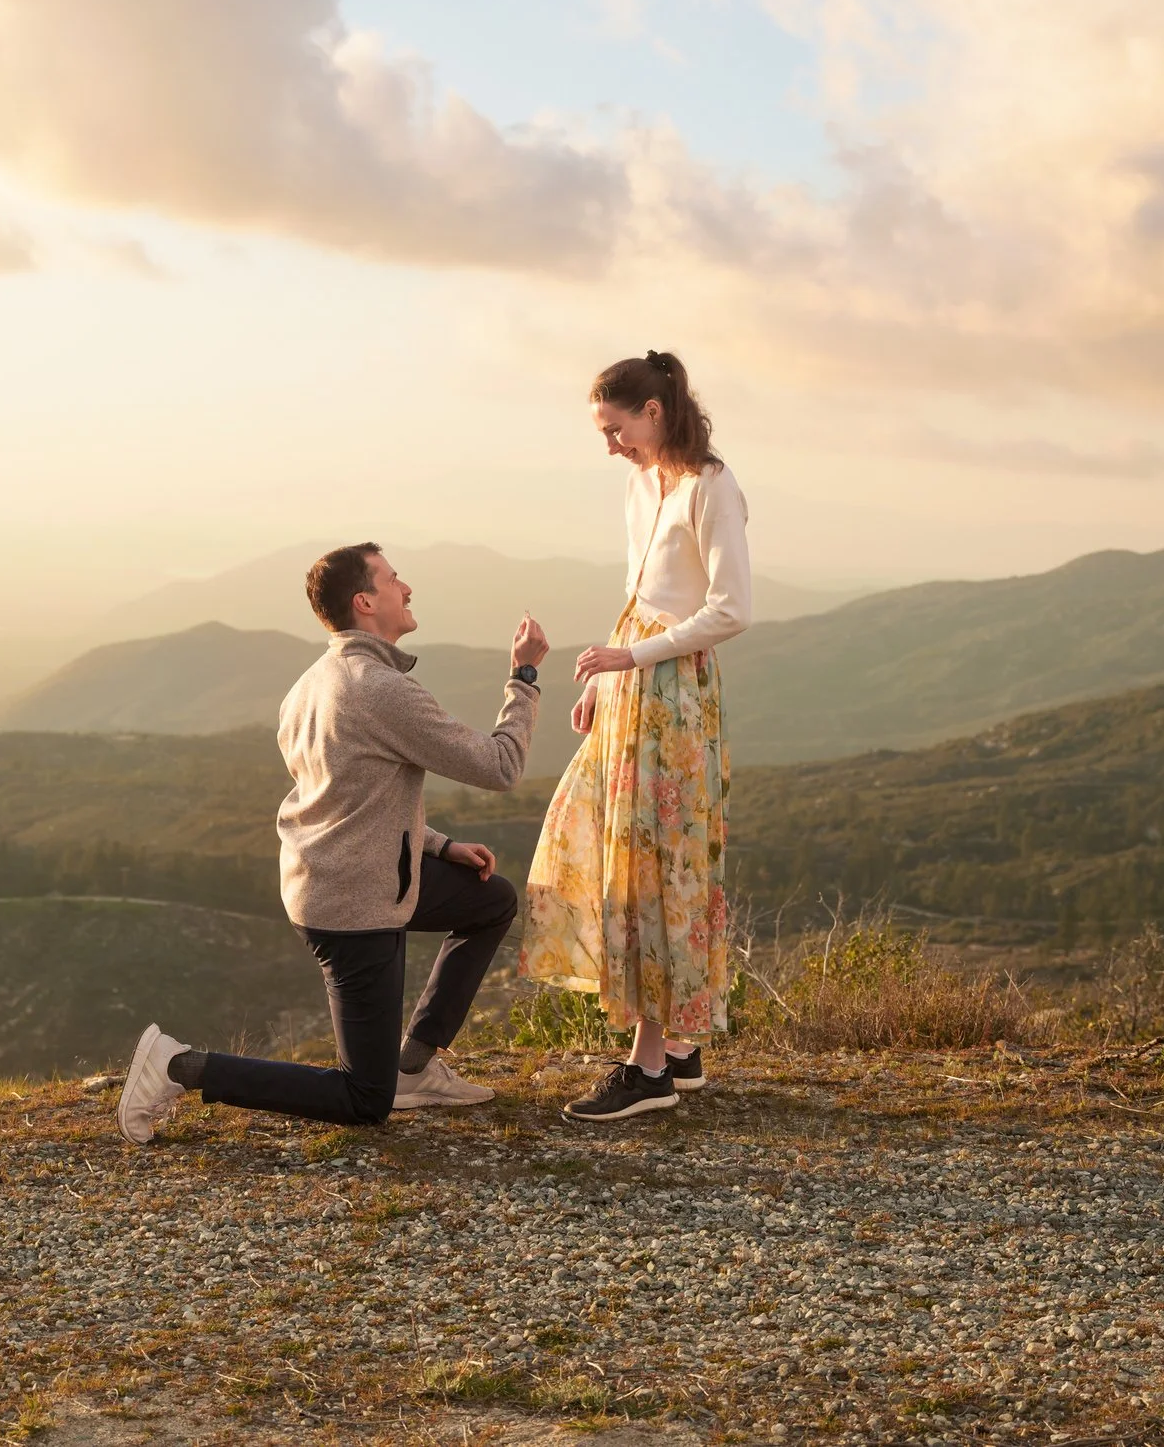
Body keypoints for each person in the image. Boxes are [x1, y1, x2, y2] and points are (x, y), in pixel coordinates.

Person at [117, 543, 548, 1144]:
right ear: (365, 601)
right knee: (363, 1100)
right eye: (395, 580)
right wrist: (523, 677)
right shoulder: (379, 689)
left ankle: (414, 1067)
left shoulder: (311, 685)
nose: (409, 589)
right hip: (355, 905)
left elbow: (347, 800)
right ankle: (176, 1066)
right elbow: (501, 767)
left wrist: (438, 845)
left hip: (348, 878)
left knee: (490, 900)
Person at [522, 351, 751, 1121]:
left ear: (653, 412)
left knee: (660, 867)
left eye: (614, 428)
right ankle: (680, 1052)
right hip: (635, 683)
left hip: (678, 696)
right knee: (621, 852)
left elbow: (731, 609)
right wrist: (604, 677)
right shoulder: (638, 485)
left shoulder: (713, 488)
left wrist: (634, 659)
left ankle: (648, 1063)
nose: (610, 445)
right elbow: (639, 595)